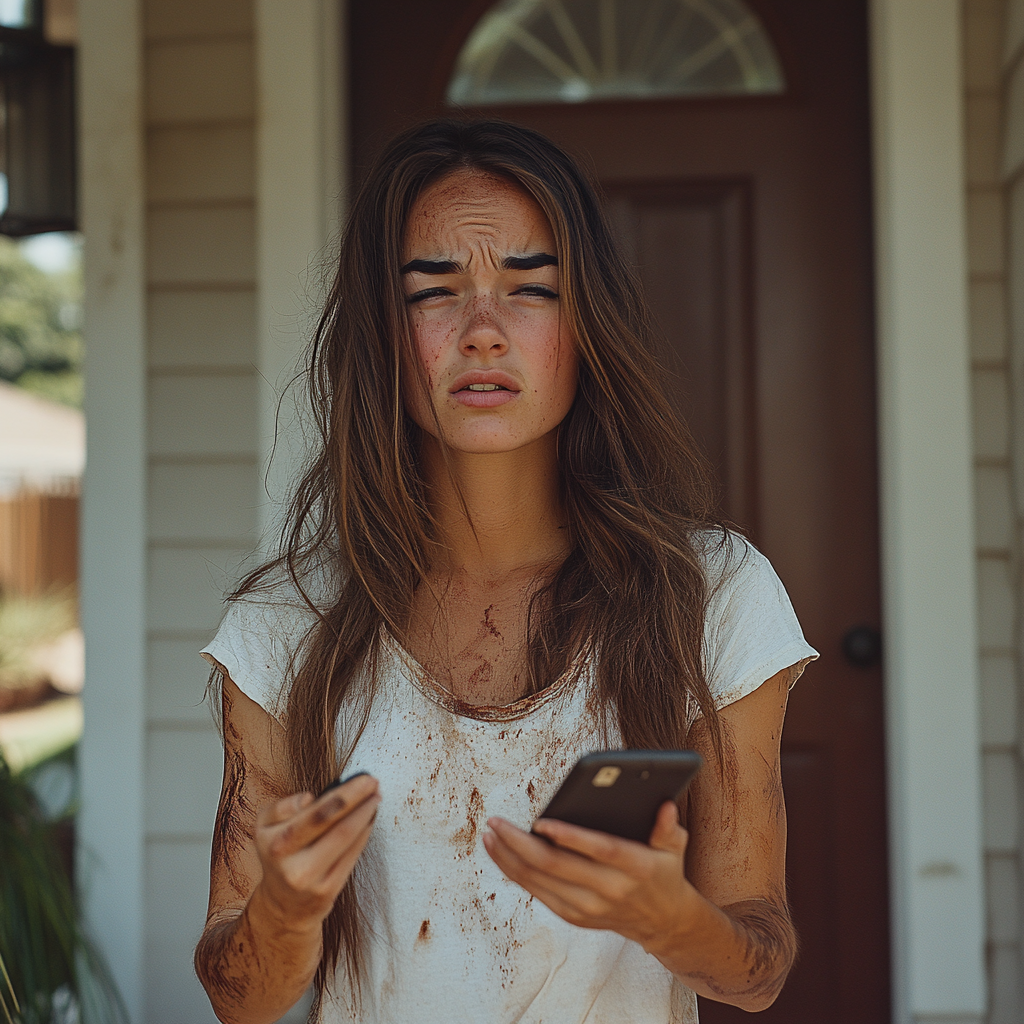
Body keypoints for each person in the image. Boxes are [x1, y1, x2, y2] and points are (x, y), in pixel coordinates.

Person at [194, 118, 817, 1024]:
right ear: (382, 329)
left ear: (585, 324)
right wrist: (285, 914)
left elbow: (758, 968)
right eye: (434, 292)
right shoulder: (288, 622)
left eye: (531, 289)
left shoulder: (710, 596)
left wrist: (669, 918)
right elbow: (235, 997)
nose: (483, 332)